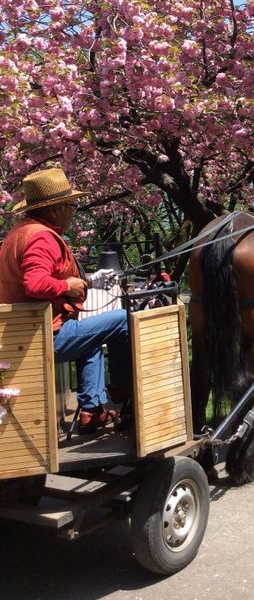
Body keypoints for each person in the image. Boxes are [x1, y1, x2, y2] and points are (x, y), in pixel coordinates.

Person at [0, 167, 131, 434]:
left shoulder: (20, 232)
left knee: (91, 338)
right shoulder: (42, 238)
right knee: (123, 320)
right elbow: (35, 284)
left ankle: (91, 411)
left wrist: (88, 281)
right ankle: (123, 389)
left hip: (25, 332)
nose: (73, 211)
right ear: (55, 209)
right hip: (43, 335)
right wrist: (67, 285)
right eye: (70, 205)